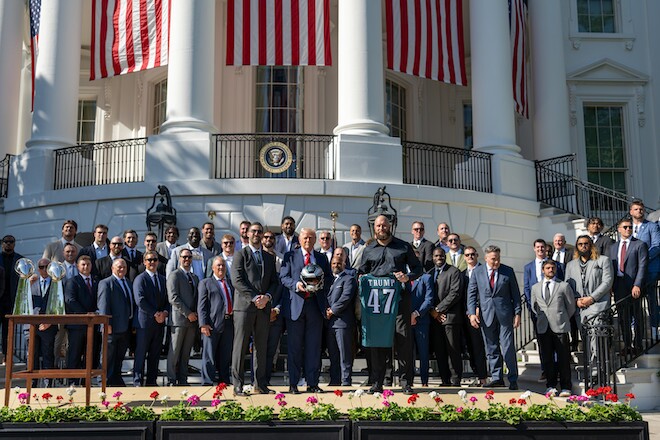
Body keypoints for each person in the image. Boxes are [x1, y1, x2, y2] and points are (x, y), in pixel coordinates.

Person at [358, 215, 423, 395]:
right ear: (375, 228)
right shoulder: (369, 249)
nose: (381, 228)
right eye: (378, 225)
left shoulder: (403, 246)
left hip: (400, 301)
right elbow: (362, 272)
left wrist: (407, 277)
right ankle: (377, 382)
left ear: (390, 226)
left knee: (403, 341)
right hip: (377, 304)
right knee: (378, 343)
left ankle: (405, 382)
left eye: (384, 225)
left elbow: (418, 269)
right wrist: (360, 278)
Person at [280, 227, 332, 394]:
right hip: (296, 306)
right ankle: (293, 383)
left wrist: (321, 284)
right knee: (295, 348)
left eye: (311, 238)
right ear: (299, 239)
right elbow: (283, 277)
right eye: (305, 238)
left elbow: (329, 279)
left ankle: (312, 383)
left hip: (315, 307)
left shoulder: (322, 258)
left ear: (315, 240)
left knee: (314, 347)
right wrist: (296, 285)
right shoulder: (290, 256)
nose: (308, 241)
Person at [231, 222, 280, 395]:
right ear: (248, 234)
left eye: (260, 232)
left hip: (263, 308)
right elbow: (237, 280)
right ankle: (237, 384)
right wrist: (254, 297)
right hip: (244, 307)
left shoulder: (269, 257)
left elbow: (275, 282)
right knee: (241, 346)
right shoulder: (240, 255)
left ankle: (260, 384)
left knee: (261, 346)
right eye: (254, 231)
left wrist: (267, 297)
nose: (257, 234)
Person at [467, 245, 521, 390]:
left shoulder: (507, 271)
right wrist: (472, 313)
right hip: (486, 315)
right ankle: (497, 378)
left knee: (508, 347)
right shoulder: (477, 272)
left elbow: (515, 294)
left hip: (505, 315)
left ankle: (513, 378)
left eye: (497, 259)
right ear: (486, 258)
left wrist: (517, 313)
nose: (496, 262)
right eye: (493, 259)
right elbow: (471, 294)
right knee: (491, 348)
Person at [531, 259, 576, 397]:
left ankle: (566, 387)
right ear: (543, 270)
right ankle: (550, 386)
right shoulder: (535, 287)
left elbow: (571, 306)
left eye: (553, 268)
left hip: (560, 326)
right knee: (547, 358)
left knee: (563, 357)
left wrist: (561, 318)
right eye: (548, 268)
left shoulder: (563, 286)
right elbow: (534, 306)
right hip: (543, 327)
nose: (551, 270)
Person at [565, 235, 613, 363]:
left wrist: (592, 298)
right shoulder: (570, 265)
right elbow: (567, 286)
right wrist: (575, 300)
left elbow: (607, 282)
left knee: (596, 338)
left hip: (598, 305)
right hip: (580, 307)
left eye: (586, 243)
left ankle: (597, 369)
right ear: (577, 247)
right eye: (580, 244)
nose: (583, 246)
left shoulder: (603, 260)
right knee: (586, 339)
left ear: (591, 245)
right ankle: (591, 367)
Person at [609, 217, 648, 354]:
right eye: (625, 227)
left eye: (630, 227)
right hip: (619, 285)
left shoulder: (639, 244)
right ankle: (627, 345)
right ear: (619, 229)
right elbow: (610, 268)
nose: (628, 229)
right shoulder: (613, 247)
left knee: (636, 316)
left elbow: (642, 266)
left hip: (633, 285)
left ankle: (638, 344)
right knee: (622, 317)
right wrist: (610, 286)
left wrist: (637, 284)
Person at [132, 251, 169, 386]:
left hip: (159, 323)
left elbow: (167, 299)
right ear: (144, 262)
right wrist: (155, 314)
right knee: (141, 354)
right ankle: (137, 382)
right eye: (149, 260)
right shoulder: (140, 279)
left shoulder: (163, 279)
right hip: (144, 323)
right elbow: (140, 300)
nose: (152, 262)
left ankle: (152, 382)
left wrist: (164, 313)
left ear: (158, 261)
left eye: (154, 259)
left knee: (155, 354)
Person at [428, 247, 464, 386]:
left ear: (445, 256)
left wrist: (438, 309)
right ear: (433, 257)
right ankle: (444, 380)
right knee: (440, 351)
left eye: (442, 256)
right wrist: (433, 311)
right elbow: (427, 295)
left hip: (450, 318)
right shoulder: (430, 273)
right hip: (435, 318)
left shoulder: (454, 271)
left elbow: (455, 293)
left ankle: (455, 380)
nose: (439, 258)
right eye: (436, 256)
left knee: (453, 350)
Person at [98, 258, 134, 386]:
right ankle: (105, 381)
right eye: (119, 267)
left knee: (119, 356)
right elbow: (103, 305)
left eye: (124, 267)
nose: (122, 269)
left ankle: (116, 379)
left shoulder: (128, 282)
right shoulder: (106, 283)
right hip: (112, 327)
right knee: (108, 357)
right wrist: (106, 324)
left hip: (125, 327)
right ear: (112, 268)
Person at [166, 248, 199, 385]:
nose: (187, 259)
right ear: (179, 258)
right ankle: (172, 379)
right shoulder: (174, 275)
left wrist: (195, 314)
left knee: (186, 353)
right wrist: (188, 313)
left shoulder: (194, 277)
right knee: (174, 352)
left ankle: (183, 379)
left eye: (189, 257)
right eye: (184, 257)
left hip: (192, 321)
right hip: (179, 320)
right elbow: (173, 298)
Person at [64, 255, 100, 382]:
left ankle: (87, 383)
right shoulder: (72, 281)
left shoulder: (96, 280)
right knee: (74, 354)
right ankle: (72, 383)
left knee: (91, 355)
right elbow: (70, 300)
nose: (86, 267)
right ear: (78, 266)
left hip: (93, 325)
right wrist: (86, 314)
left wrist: (96, 312)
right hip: (77, 325)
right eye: (83, 264)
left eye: (88, 264)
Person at [198, 256, 233, 385]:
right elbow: (201, 305)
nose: (221, 268)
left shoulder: (230, 283)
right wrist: (203, 324)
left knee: (225, 355)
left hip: (228, 323)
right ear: (212, 268)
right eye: (218, 265)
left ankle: (224, 381)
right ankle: (207, 381)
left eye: (223, 265)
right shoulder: (206, 283)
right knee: (209, 355)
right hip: (212, 324)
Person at [629, 200, 660, 335]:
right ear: (631, 211)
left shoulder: (652, 226)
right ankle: (634, 330)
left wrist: (643, 259)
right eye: (636, 209)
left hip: (649, 269)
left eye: (641, 209)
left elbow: (656, 246)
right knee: (632, 301)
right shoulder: (627, 228)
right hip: (632, 271)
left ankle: (654, 328)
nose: (639, 211)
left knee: (651, 300)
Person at [325, 255, 357, 386]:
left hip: (343, 323)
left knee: (345, 354)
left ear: (344, 264)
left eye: (338, 263)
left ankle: (346, 380)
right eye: (333, 263)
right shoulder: (329, 280)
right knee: (333, 355)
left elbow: (346, 297)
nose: (335, 266)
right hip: (330, 323)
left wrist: (332, 310)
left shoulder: (349, 279)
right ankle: (335, 380)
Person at [461, 246, 488, 387]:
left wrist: (476, 309)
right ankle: (477, 375)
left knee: (480, 347)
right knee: (470, 348)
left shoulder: (484, 271)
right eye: (467, 255)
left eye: (472, 254)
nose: (470, 257)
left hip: (480, 314)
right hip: (465, 316)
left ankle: (484, 377)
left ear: (477, 255)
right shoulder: (462, 274)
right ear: (464, 257)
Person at [30, 258, 56, 386]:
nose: (44, 270)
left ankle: (48, 384)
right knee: (32, 355)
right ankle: (32, 385)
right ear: (38, 268)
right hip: (32, 325)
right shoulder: (31, 282)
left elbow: (59, 304)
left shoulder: (56, 283)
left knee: (47, 354)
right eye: (41, 267)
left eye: (47, 267)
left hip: (49, 325)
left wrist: (50, 321)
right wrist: (27, 285)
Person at [409, 265, 433, 386]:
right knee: (408, 352)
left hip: (421, 320)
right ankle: (409, 381)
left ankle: (424, 381)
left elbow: (429, 299)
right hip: (406, 321)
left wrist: (416, 314)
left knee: (423, 352)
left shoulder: (426, 277)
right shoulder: (403, 277)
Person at [1, 235, 22, 362]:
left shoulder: (20, 260)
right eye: (6, 242)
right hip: (0, 299)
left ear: (14, 244)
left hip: (12, 300)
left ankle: (7, 356)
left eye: (11, 242)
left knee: (8, 331)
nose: (8, 244)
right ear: (2, 244)